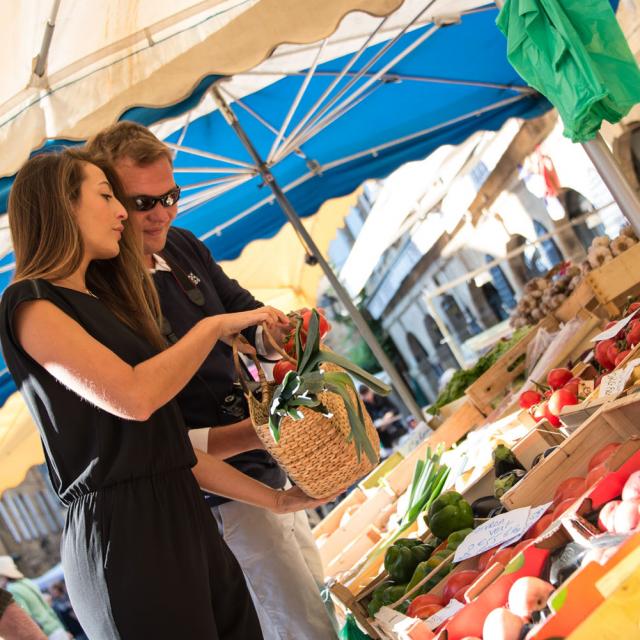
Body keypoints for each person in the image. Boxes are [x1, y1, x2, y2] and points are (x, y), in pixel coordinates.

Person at [0, 149, 327, 639]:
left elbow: (171, 448)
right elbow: (134, 398)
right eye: (108, 196)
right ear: (60, 205)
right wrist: (213, 326)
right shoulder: (28, 302)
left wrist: (274, 501)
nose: (121, 213)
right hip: (125, 540)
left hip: (186, 516)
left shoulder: (107, 303)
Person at [87, 122, 339, 639]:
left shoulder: (181, 246)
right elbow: (157, 436)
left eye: (171, 196)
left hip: (270, 462)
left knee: (317, 603)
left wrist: (283, 333)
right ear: (110, 202)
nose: (162, 213)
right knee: (300, 626)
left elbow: (244, 315)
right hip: (220, 500)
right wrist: (256, 430)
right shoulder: (102, 295)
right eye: (143, 203)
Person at [0, 558, 67, 640]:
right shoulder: (27, 581)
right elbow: (47, 606)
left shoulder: (12, 589)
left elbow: (25, 616)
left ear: (3, 576)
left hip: (45, 633)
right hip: (56, 627)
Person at [359, 385, 407, 452]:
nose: (367, 397)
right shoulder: (364, 407)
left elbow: (395, 409)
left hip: (398, 430)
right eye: (364, 395)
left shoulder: (381, 396)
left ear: (370, 391)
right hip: (385, 438)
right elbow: (367, 424)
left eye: (367, 393)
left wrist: (390, 413)